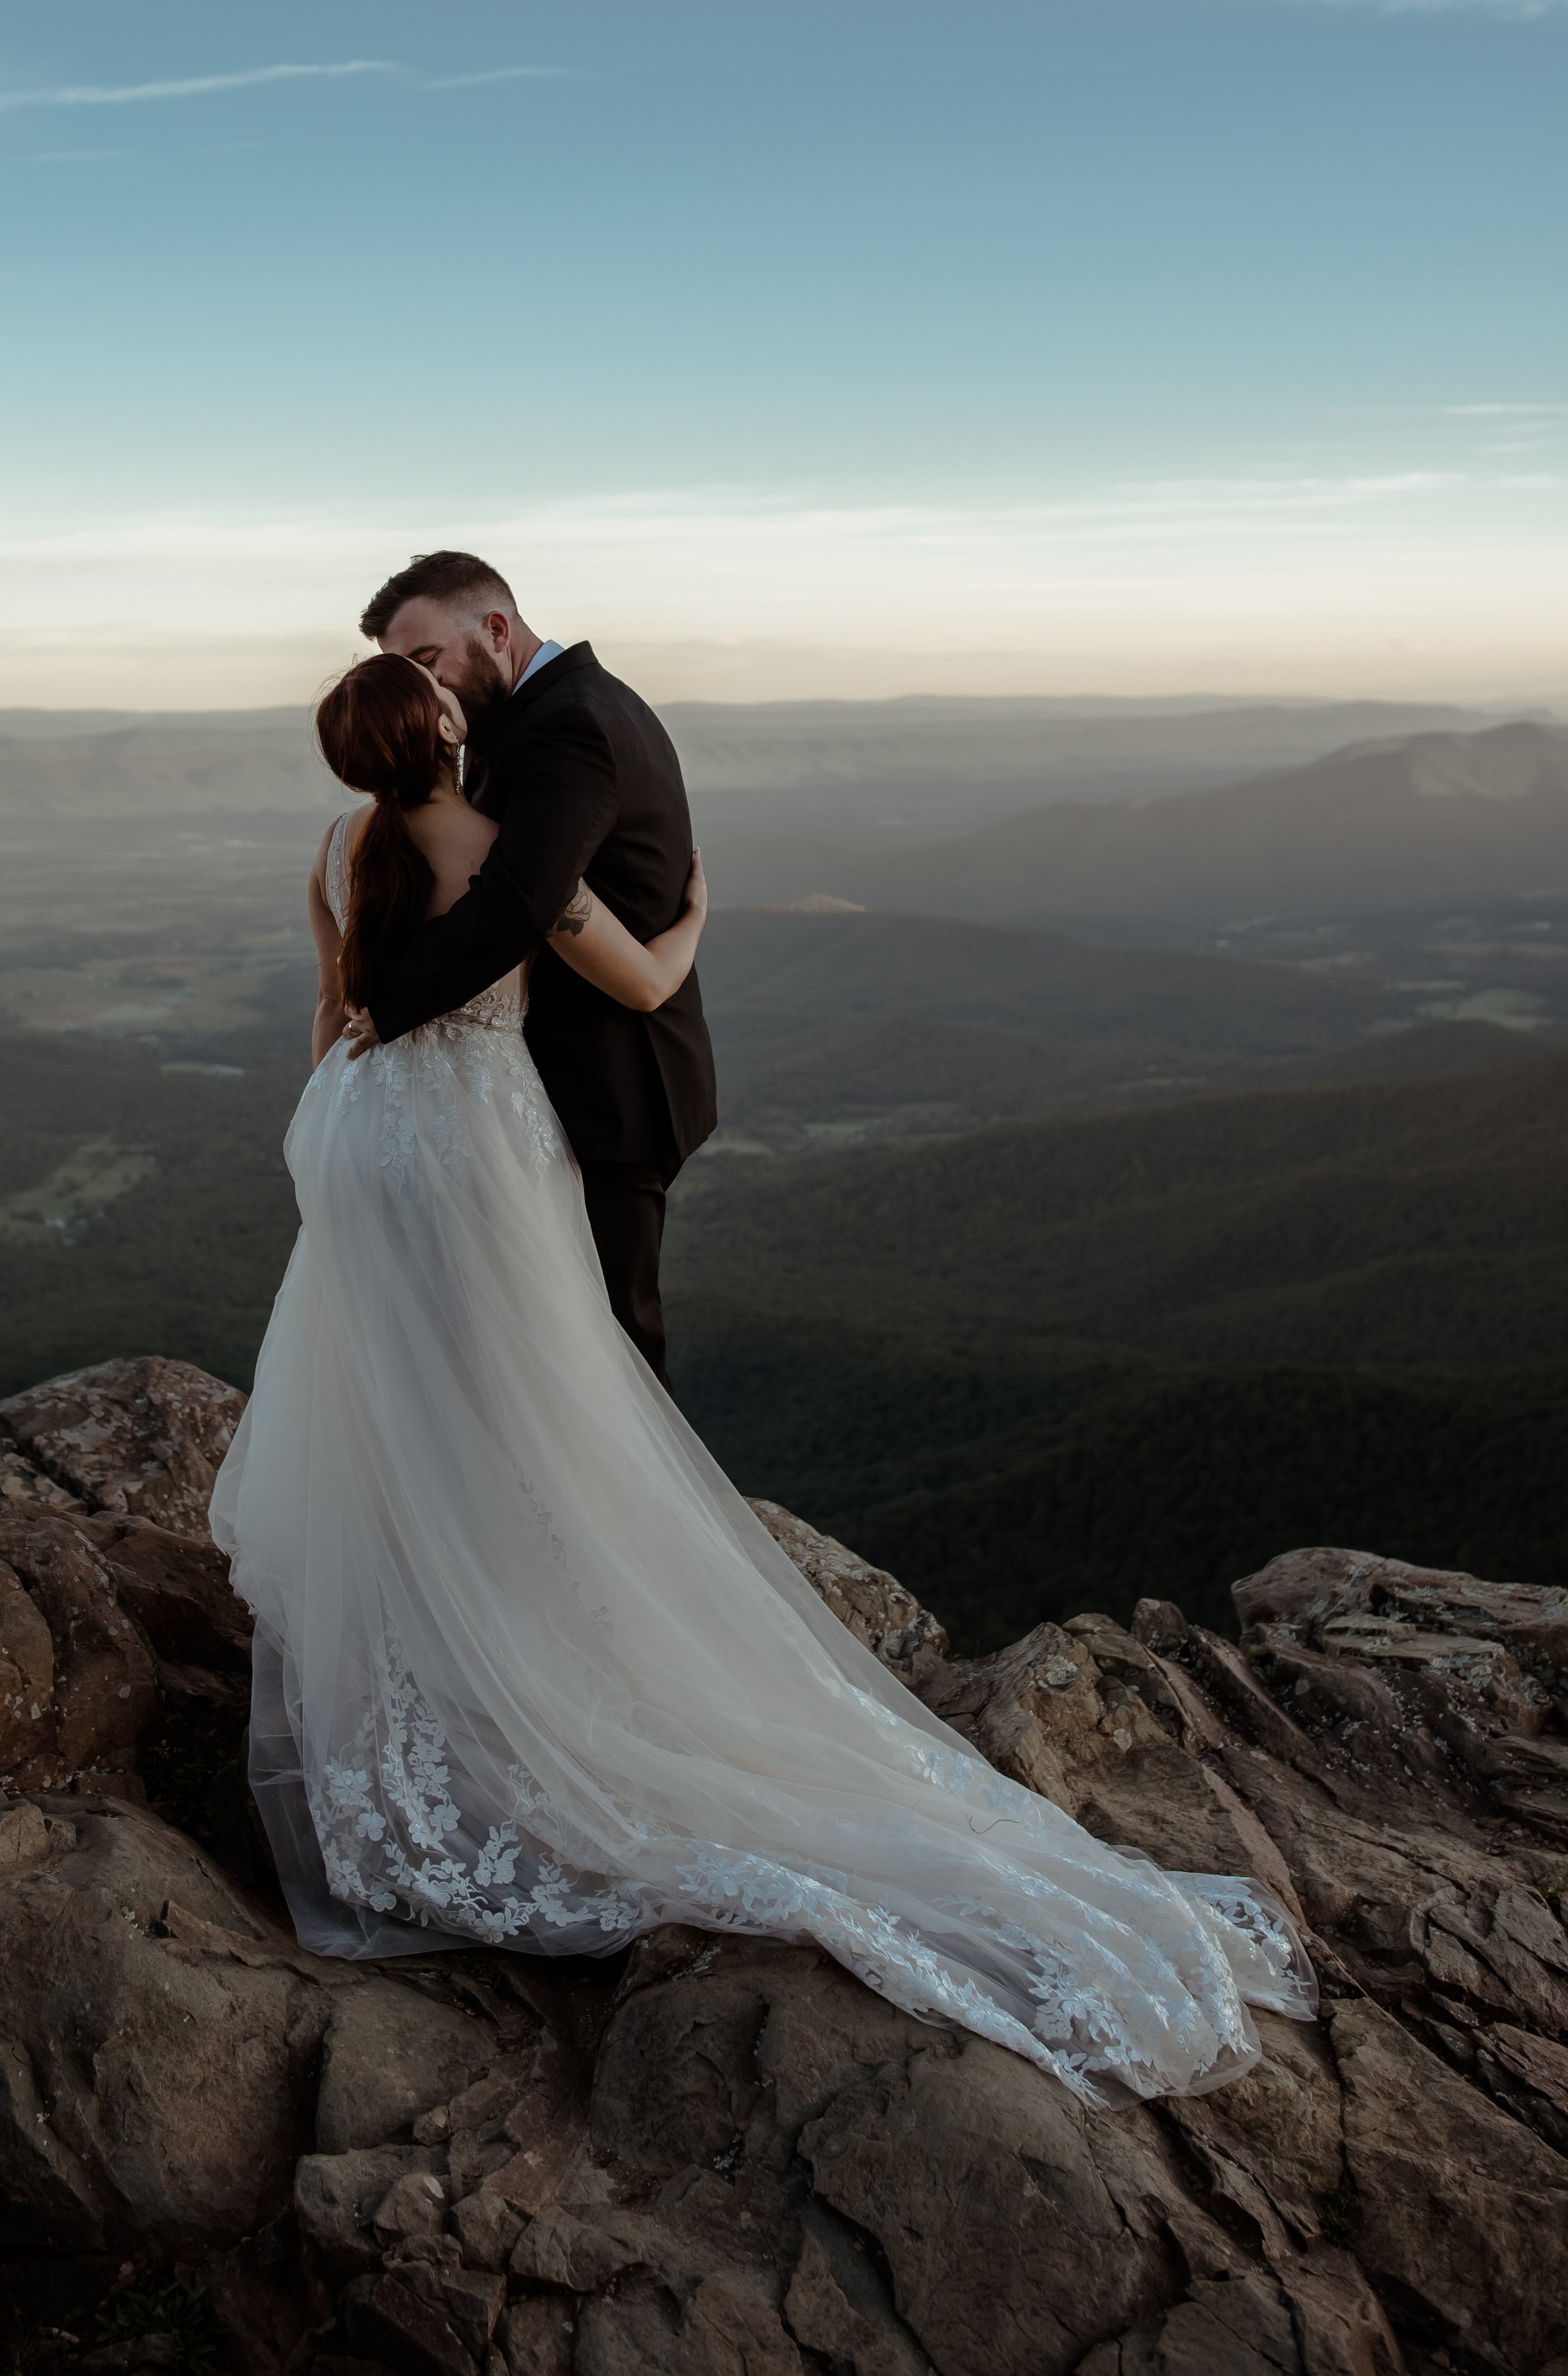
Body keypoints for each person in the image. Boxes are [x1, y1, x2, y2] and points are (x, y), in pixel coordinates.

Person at [207, 626, 1317, 2106]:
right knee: (529, 1396)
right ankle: (543, 1630)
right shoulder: (510, 844)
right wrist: (700, 916)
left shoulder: (340, 847)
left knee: (394, 1397)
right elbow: (640, 982)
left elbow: (334, 1006)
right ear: (444, 735)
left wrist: (327, 1132)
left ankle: (427, 1648)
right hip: (475, 1148)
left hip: (359, 1135)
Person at [340, 549, 714, 1388]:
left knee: (613, 1343)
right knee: (545, 1343)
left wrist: (388, 999)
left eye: (427, 662)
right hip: (538, 1085)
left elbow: (520, 898)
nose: (423, 690)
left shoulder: (570, 720)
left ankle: (627, 1520)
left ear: (496, 630)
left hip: (613, 1078)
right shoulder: (528, 713)